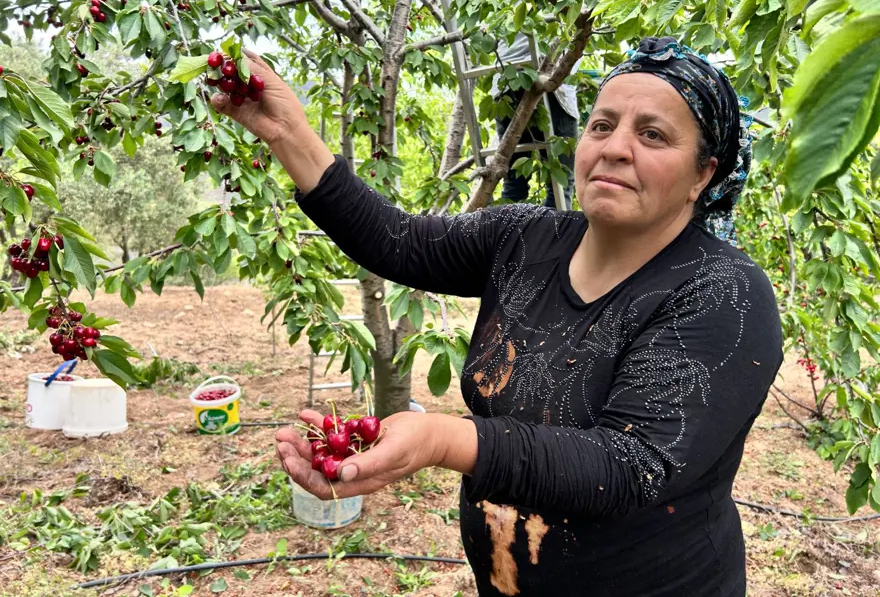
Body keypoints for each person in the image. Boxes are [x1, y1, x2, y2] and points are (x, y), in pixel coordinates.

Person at [212, 36, 782, 597]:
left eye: (652, 134)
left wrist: (440, 439)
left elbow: (627, 464)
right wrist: (288, 132)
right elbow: (398, 242)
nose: (614, 147)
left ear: (703, 174)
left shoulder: (723, 293)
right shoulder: (526, 239)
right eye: (602, 125)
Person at [491, 33, 580, 209]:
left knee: (514, 182)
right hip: (551, 88)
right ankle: (552, 235)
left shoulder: (500, 7)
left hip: (504, 87)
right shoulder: (570, 4)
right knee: (561, 185)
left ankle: (506, 235)